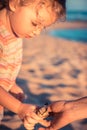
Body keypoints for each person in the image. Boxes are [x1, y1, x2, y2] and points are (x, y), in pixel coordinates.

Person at [0, 0, 65, 129]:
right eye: (35, 24)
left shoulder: (15, 34)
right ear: (14, 3)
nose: (37, 32)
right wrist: (18, 108)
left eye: (43, 27)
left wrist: (11, 85)